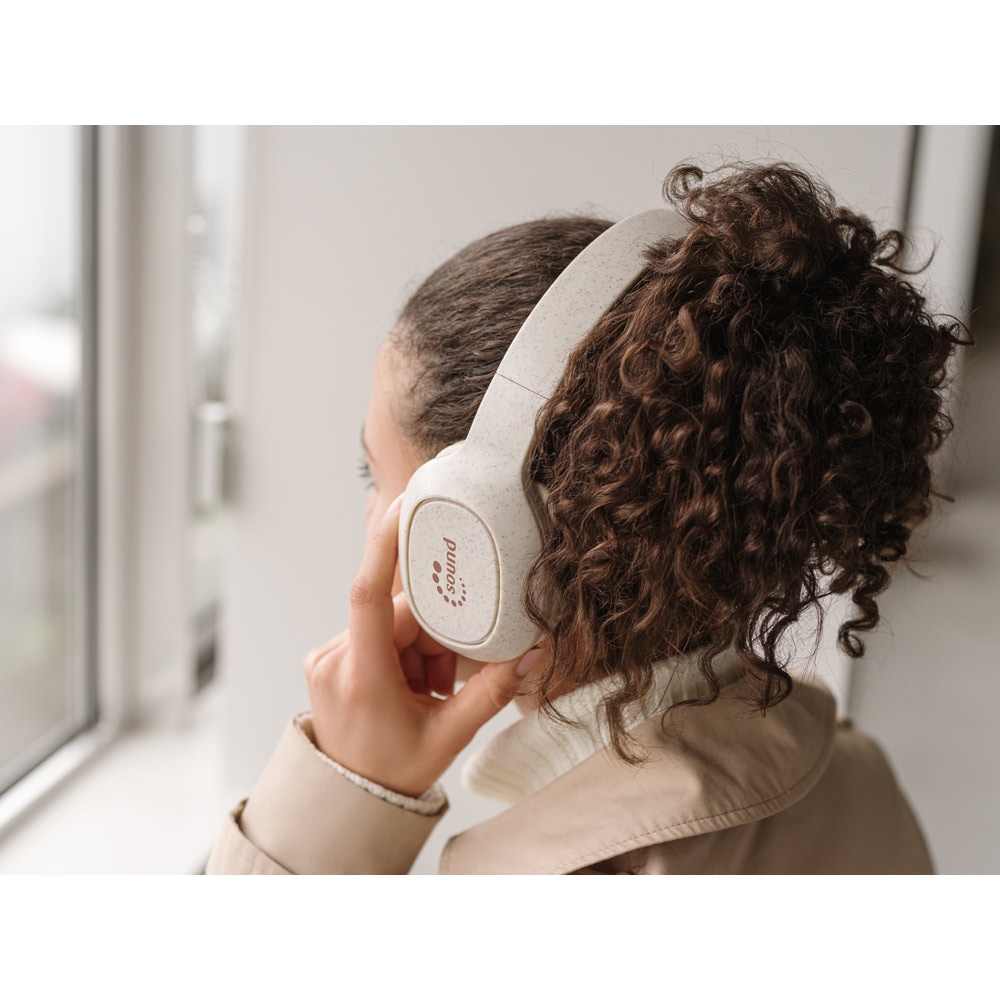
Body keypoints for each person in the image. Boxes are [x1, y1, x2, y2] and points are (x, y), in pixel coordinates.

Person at [206, 161, 966, 875]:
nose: (370, 517)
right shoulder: (858, 772)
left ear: (482, 528)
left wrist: (337, 798)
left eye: (376, 478)